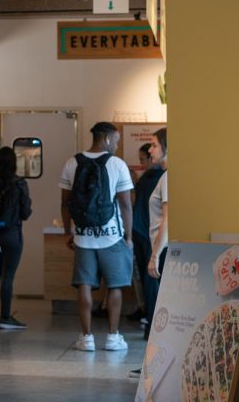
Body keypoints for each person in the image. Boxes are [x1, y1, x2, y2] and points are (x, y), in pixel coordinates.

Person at [59, 121, 134, 352]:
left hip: (83, 237)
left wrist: (68, 231)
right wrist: (128, 237)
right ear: (107, 138)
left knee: (84, 284)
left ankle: (87, 337)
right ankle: (112, 337)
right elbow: (125, 205)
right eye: (117, 140)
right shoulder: (117, 164)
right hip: (112, 237)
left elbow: (65, 203)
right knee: (115, 286)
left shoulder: (72, 162)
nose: (117, 145)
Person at [0, 146, 32, 330]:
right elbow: (26, 212)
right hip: (12, 234)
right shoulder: (19, 183)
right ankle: (5, 317)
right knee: (8, 276)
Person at [131, 139, 166, 335]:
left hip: (143, 234)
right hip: (152, 238)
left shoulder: (148, 179)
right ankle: (154, 326)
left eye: (155, 146)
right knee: (153, 281)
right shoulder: (159, 177)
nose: (151, 152)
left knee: (149, 281)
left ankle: (151, 324)